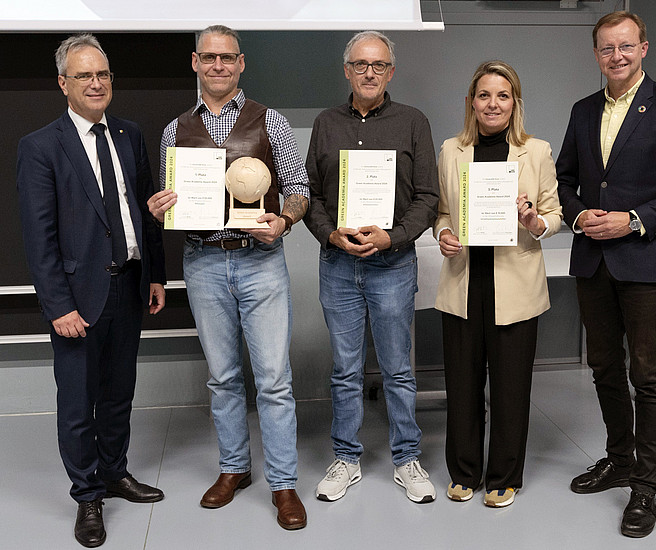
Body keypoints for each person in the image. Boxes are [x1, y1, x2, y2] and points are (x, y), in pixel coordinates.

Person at [556, 11, 656, 538]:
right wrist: (579, 215)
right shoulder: (582, 111)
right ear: (596, 54)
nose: (617, 56)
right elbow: (564, 179)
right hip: (593, 260)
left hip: (646, 260)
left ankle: (645, 486)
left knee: (646, 375)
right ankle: (618, 459)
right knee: (603, 366)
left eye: (626, 46)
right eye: (607, 48)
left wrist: (636, 219)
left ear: (643, 48)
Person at [147, 25, 308, 530]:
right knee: (223, 378)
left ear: (241, 64)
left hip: (260, 261)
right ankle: (234, 469)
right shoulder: (176, 130)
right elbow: (173, 199)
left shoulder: (271, 121)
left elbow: (300, 188)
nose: (218, 66)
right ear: (195, 63)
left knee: (274, 380)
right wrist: (160, 209)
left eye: (228, 58)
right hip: (203, 262)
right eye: (209, 58)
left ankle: (283, 484)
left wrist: (283, 220)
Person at [17, 33, 167, 548]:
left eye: (103, 74)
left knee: (119, 392)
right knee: (79, 403)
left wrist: (154, 275)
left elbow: (145, 212)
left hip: (128, 289)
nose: (97, 83)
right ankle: (87, 495)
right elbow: (39, 238)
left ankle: (114, 473)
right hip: (78, 299)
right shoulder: (40, 147)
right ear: (63, 83)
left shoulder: (128, 133)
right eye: (84, 76)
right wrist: (57, 305)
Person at [304, 30, 439, 504]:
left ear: (390, 72)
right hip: (338, 265)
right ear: (347, 70)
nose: (369, 73)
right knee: (345, 370)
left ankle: (406, 459)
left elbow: (427, 197)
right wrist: (330, 233)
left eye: (378, 65)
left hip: (393, 264)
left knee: (398, 370)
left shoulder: (413, 122)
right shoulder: (325, 123)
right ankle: (346, 458)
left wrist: (392, 237)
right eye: (360, 65)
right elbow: (313, 196)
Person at [433, 61, 563, 508]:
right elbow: (444, 211)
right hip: (463, 282)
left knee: (510, 387)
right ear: (471, 102)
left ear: (515, 103)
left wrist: (534, 221)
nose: (493, 104)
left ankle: (504, 476)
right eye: (484, 95)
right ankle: (464, 472)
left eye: (502, 96)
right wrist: (443, 234)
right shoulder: (451, 150)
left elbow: (555, 213)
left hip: (515, 285)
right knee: (462, 386)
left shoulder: (537, 150)